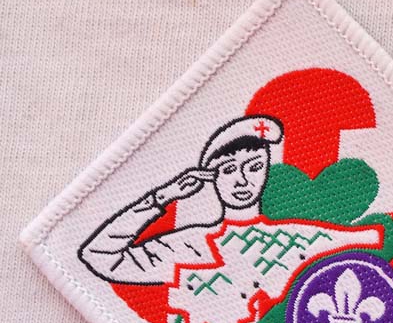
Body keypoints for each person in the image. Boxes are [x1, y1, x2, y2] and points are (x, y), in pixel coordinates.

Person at [78, 115, 283, 285]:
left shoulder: (289, 237)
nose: (243, 180)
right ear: (209, 176)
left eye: (255, 167)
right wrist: (162, 197)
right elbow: (99, 256)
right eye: (228, 170)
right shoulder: (191, 246)